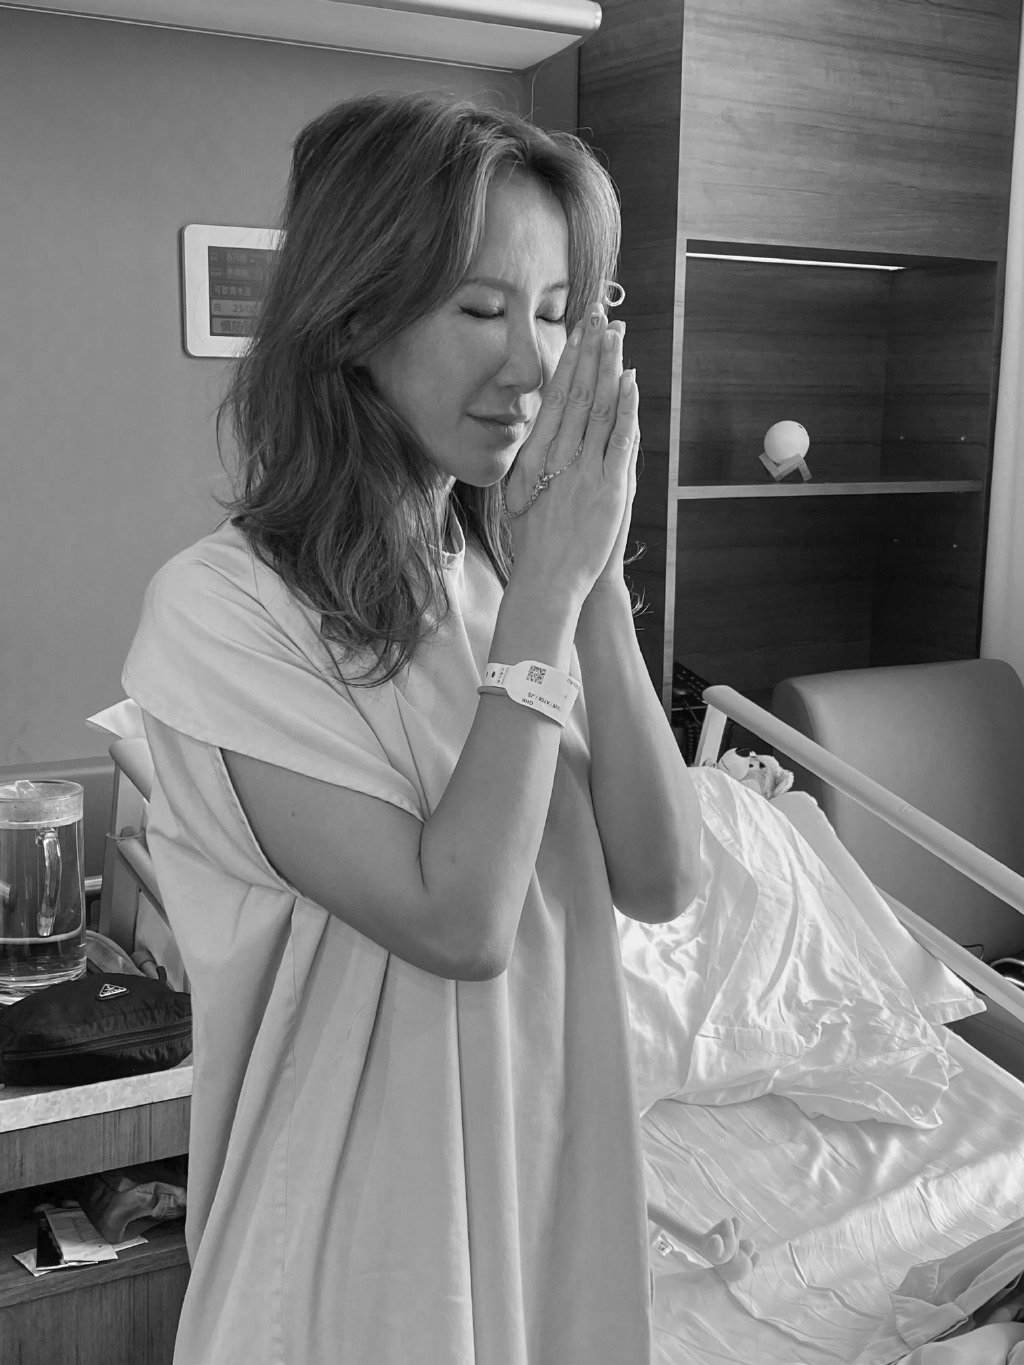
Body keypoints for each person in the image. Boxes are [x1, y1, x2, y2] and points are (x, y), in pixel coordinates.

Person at [122, 89, 702, 1365]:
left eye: (554, 312)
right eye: (482, 309)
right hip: (365, 1233)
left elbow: (664, 879)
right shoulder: (225, 611)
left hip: (546, 1168)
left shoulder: (507, 575)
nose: (532, 365)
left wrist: (592, 584)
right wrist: (546, 596)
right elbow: (459, 923)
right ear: (355, 320)